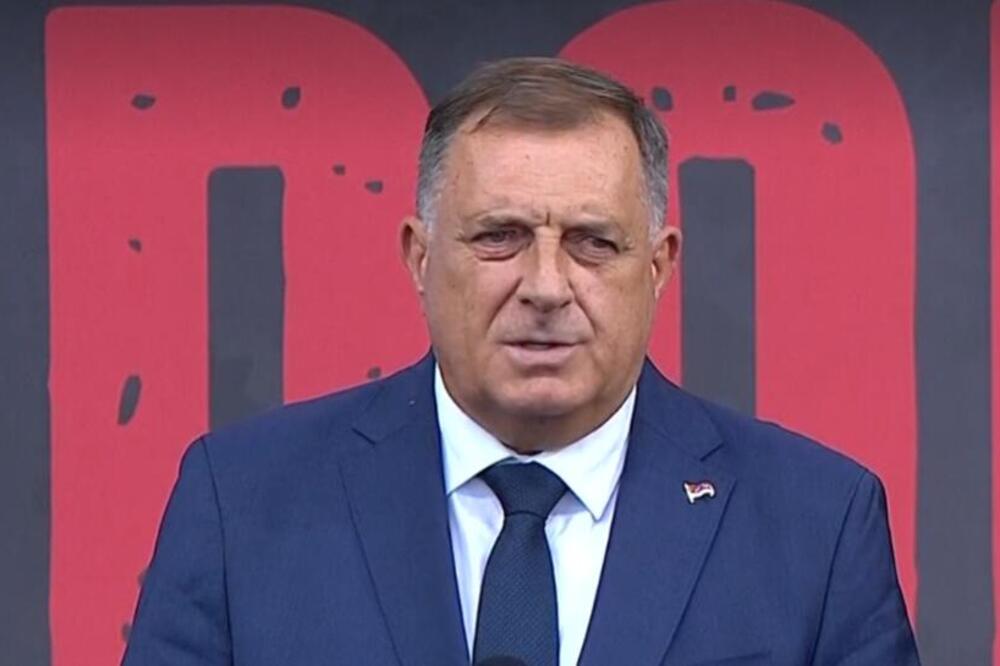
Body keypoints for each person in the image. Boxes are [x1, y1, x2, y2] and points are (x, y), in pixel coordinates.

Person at [122, 57, 919, 666]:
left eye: (592, 242)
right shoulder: (243, 503)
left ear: (658, 267)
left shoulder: (817, 526)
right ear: (420, 257)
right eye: (499, 237)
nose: (545, 286)